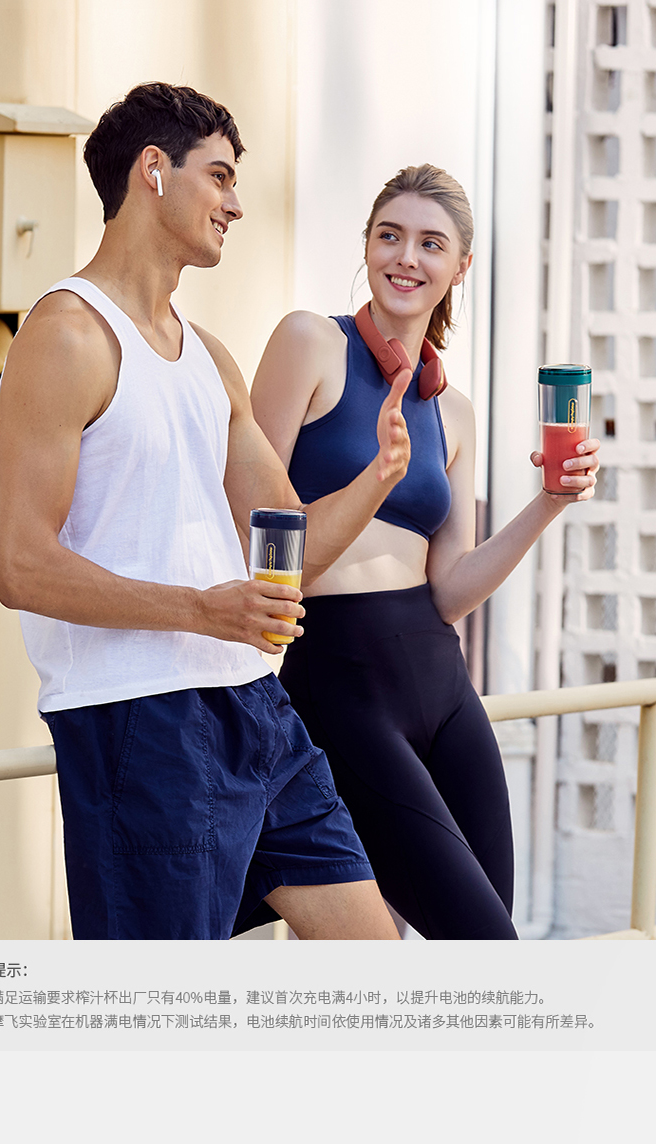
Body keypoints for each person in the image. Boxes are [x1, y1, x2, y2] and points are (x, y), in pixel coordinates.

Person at [0, 82, 414, 941]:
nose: (236, 204)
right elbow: (21, 566)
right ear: (153, 170)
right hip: (139, 721)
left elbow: (288, 551)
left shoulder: (209, 359)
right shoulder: (67, 336)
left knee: (373, 953)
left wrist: (381, 473)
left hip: (255, 705)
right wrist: (200, 609)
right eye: (219, 177)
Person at [250, 164, 600, 940]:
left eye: (430, 244)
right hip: (341, 676)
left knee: (488, 937)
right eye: (390, 236)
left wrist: (549, 501)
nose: (406, 257)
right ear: (367, 246)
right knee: (484, 945)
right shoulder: (309, 342)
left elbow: (449, 588)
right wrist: (374, 478)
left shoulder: (453, 411)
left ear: (460, 267)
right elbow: (258, 531)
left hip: (443, 682)